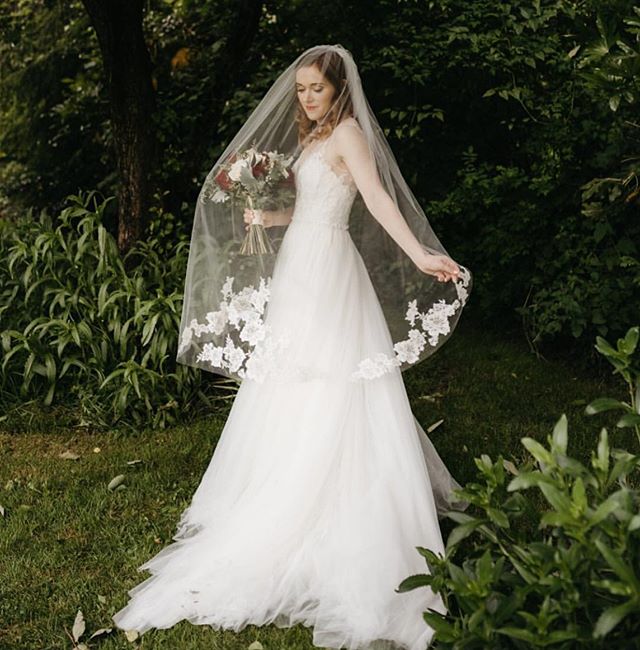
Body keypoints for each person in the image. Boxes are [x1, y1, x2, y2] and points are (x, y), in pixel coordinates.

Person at [112, 44, 472, 649]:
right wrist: (267, 221)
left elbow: (374, 202)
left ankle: (335, 494)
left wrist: (418, 253)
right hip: (299, 267)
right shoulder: (312, 138)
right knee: (290, 376)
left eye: (317, 90)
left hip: (331, 269)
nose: (306, 98)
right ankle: (282, 480)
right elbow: (311, 205)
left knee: (334, 376)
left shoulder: (350, 134)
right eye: (301, 88)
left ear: (339, 92)